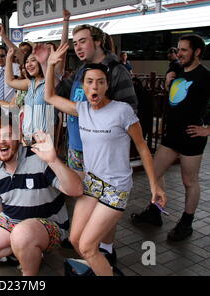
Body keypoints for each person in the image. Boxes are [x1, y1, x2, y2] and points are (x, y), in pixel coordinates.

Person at [44, 45, 167, 275]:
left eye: (100, 82)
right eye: (89, 81)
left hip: (115, 187)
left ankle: (102, 267)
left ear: (107, 86)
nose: (95, 86)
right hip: (92, 184)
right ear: (83, 86)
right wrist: (50, 65)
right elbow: (49, 96)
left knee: (89, 247)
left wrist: (154, 185)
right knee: (76, 239)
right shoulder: (81, 109)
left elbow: (142, 147)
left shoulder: (122, 111)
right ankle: (104, 268)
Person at [131, 34, 210, 241]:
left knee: (189, 181)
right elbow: (172, 82)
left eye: (183, 50)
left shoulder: (206, 76)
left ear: (197, 52)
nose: (178, 53)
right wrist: (168, 77)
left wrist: (209, 129)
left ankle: (186, 223)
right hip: (171, 135)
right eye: (178, 49)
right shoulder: (178, 69)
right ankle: (155, 211)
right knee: (154, 173)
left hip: (192, 137)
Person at [63, 24, 138, 263]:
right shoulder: (81, 70)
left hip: (102, 153)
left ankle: (105, 249)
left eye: (82, 41)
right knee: (84, 199)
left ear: (97, 42)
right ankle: (91, 245)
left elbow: (130, 114)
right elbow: (67, 97)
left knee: (106, 204)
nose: (78, 47)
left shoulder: (116, 71)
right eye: (75, 43)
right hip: (77, 146)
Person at [0, 118, 83, 276]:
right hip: (14, 222)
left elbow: (76, 190)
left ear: (18, 137)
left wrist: (53, 160)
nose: (1, 141)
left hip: (50, 225)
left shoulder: (40, 159)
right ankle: (27, 252)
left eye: (8, 135)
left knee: (22, 235)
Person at [5, 46, 53, 145]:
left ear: (41, 61)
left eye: (33, 60)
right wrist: (9, 59)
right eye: (26, 62)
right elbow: (10, 81)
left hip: (44, 141)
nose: (29, 64)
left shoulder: (50, 81)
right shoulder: (29, 83)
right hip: (27, 139)